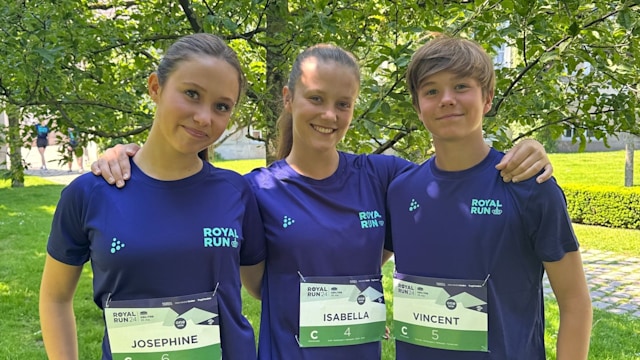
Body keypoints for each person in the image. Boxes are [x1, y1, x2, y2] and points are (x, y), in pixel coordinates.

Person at [91, 44, 554, 359]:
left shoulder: (384, 176)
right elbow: (257, 282)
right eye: (316, 98)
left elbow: (455, 180)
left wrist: (523, 151)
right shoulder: (253, 189)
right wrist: (123, 154)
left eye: (343, 103)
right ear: (290, 99)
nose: (329, 115)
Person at [39, 33, 265, 360]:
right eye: (191, 94)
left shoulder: (236, 192)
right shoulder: (89, 194)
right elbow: (55, 298)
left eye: (221, 106)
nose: (204, 117)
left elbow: (263, 285)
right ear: (155, 87)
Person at [387, 35, 592, 359]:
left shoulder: (529, 187)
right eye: (431, 91)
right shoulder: (400, 191)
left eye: (461, 86)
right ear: (417, 107)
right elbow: (360, 263)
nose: (447, 99)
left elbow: (575, 302)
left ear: (487, 98)